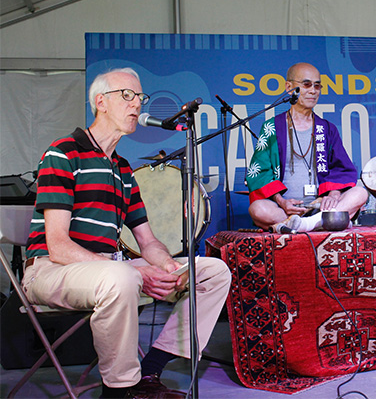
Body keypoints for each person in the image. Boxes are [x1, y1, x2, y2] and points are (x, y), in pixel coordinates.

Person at [23, 68, 232, 399]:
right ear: (101, 102)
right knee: (120, 277)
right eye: (127, 95)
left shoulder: (123, 170)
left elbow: (146, 241)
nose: (137, 104)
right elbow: (59, 246)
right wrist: (129, 271)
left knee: (213, 272)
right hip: (51, 269)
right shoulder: (63, 152)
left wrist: (163, 268)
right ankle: (121, 391)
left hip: (107, 268)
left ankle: (150, 372)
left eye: (140, 97)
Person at [246, 62, 368, 233]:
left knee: (360, 193)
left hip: (321, 206)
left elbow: (342, 168)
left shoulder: (326, 128)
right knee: (258, 209)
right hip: (285, 210)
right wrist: (281, 201)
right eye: (306, 84)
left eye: (317, 86)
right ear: (289, 88)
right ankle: (319, 223)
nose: (313, 91)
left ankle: (306, 225)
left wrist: (333, 195)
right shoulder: (272, 127)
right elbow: (259, 172)